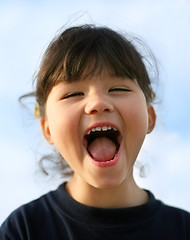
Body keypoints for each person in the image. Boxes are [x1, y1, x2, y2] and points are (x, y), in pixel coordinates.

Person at [0, 24, 189, 240]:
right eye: (74, 93)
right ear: (48, 128)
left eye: (119, 89)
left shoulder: (182, 229)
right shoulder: (24, 230)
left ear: (150, 117)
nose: (98, 103)